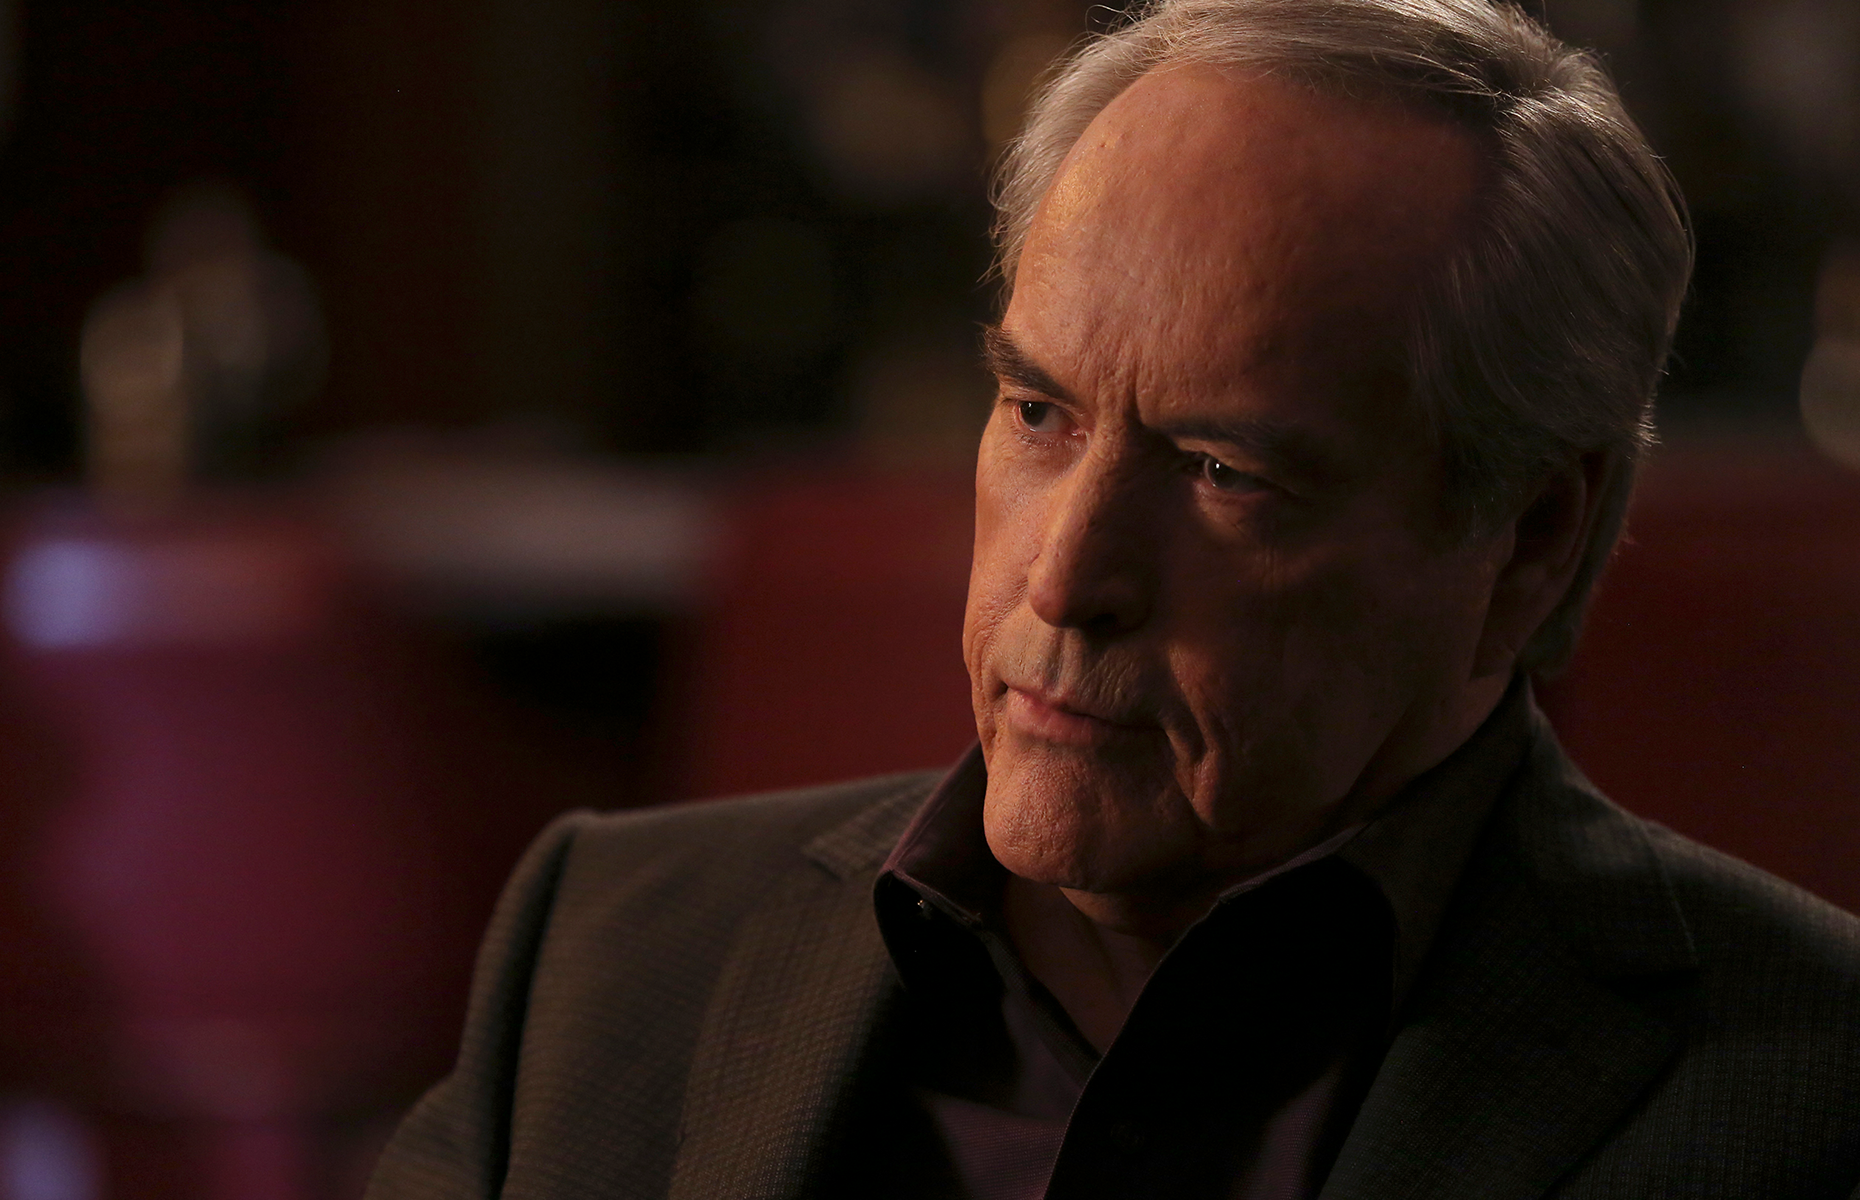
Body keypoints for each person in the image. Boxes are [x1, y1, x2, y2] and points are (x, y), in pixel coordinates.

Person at [368, 1, 1860, 1197]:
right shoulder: (611, 958)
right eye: (1037, 412)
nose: (1068, 577)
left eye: (1223, 471)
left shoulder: (1804, 1087)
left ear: (1529, 539)